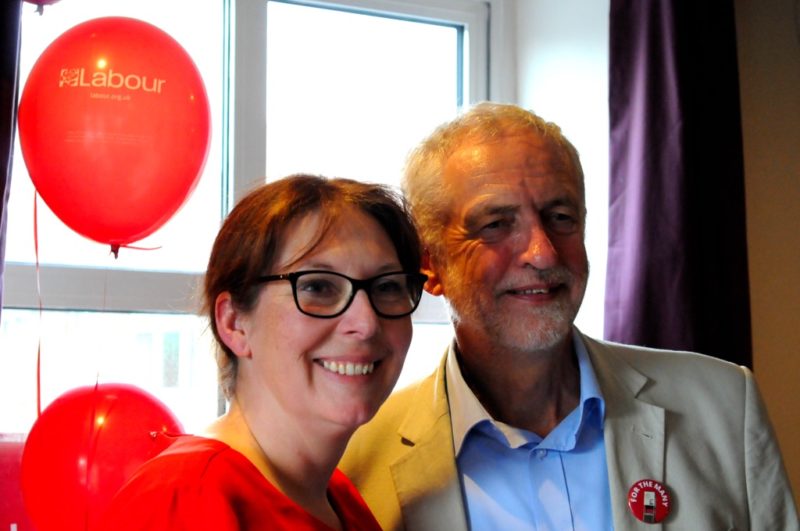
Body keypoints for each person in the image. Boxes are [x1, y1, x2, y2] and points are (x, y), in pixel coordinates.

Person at [339, 102, 799, 530]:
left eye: (560, 216)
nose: (542, 253)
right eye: (496, 224)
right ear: (429, 265)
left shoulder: (722, 406)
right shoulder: (355, 462)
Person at [101, 174, 427, 530]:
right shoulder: (185, 498)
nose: (366, 323)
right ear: (234, 323)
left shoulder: (342, 501)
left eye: (388, 286)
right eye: (318, 286)